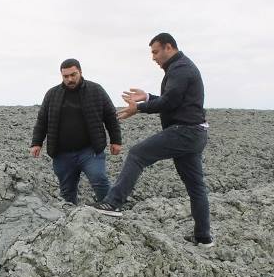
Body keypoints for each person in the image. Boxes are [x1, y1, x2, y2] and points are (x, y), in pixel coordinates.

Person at [91, 33, 214, 247]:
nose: (153, 57)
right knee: (196, 187)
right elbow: (173, 100)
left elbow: (170, 101)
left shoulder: (181, 69)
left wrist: (138, 108)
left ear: (169, 47)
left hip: (185, 132)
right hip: (194, 134)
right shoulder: (180, 68)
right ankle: (203, 238)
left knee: (138, 154)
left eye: (156, 52)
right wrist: (147, 97)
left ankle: (113, 203)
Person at [31, 58, 122, 204]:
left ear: (80, 72)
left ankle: (111, 208)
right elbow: (42, 120)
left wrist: (116, 140)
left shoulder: (96, 90)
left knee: (99, 179)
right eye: (65, 76)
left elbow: (110, 115)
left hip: (90, 151)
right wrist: (36, 143)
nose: (70, 79)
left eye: (73, 75)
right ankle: (70, 219)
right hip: (62, 153)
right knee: (67, 190)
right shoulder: (52, 94)